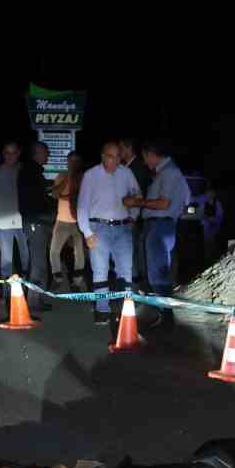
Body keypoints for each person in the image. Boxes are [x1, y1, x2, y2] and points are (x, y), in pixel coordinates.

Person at [126, 139, 191, 329]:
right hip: (158, 226)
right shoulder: (166, 172)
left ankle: (166, 317)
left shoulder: (170, 173)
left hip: (160, 226)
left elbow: (164, 203)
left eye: (145, 157)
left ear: (151, 154)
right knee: (155, 271)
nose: (145, 162)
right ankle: (162, 315)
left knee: (157, 274)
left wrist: (137, 203)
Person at [76, 140, 142, 325]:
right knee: (100, 271)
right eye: (112, 157)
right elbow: (82, 206)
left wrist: (133, 217)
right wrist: (87, 232)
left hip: (123, 228)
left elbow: (137, 195)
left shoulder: (126, 173)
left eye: (118, 156)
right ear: (103, 156)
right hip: (99, 229)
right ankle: (102, 310)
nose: (116, 160)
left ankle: (125, 310)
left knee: (125, 272)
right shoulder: (91, 175)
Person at [21, 142, 57, 311]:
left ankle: (37, 299)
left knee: (40, 263)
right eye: (46, 153)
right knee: (37, 264)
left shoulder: (33, 172)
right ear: (37, 153)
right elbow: (33, 201)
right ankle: (33, 302)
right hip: (36, 222)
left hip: (37, 221)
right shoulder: (30, 172)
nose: (48, 156)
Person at [0, 141, 30, 284]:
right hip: (3, 223)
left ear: (19, 153)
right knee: (6, 261)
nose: (10, 156)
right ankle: (7, 294)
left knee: (26, 258)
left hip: (23, 221)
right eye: (7, 153)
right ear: (3, 154)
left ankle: (27, 291)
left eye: (13, 153)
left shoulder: (25, 170)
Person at [49, 150, 87, 291]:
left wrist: (67, 196)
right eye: (71, 161)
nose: (73, 164)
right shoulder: (62, 176)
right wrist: (67, 179)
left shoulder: (84, 177)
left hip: (79, 221)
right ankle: (57, 278)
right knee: (54, 251)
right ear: (67, 162)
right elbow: (54, 193)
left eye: (76, 161)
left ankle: (77, 282)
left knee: (79, 252)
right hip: (62, 220)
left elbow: (83, 197)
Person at [121, 138, 154, 284]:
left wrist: (134, 216)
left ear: (128, 148)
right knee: (132, 249)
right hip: (131, 215)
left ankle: (136, 280)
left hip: (136, 215)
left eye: (121, 148)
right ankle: (135, 278)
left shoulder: (138, 168)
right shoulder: (127, 166)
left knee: (134, 249)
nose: (119, 152)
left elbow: (139, 194)